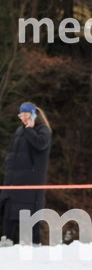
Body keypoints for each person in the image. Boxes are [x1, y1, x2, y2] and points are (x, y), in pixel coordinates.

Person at [0, 102, 53, 246]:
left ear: (34, 115)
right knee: (8, 213)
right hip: (13, 182)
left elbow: (40, 144)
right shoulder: (19, 131)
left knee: (30, 216)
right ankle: (6, 241)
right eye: (21, 115)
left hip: (30, 184)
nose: (23, 118)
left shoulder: (44, 130)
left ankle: (35, 245)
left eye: (26, 115)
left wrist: (30, 130)